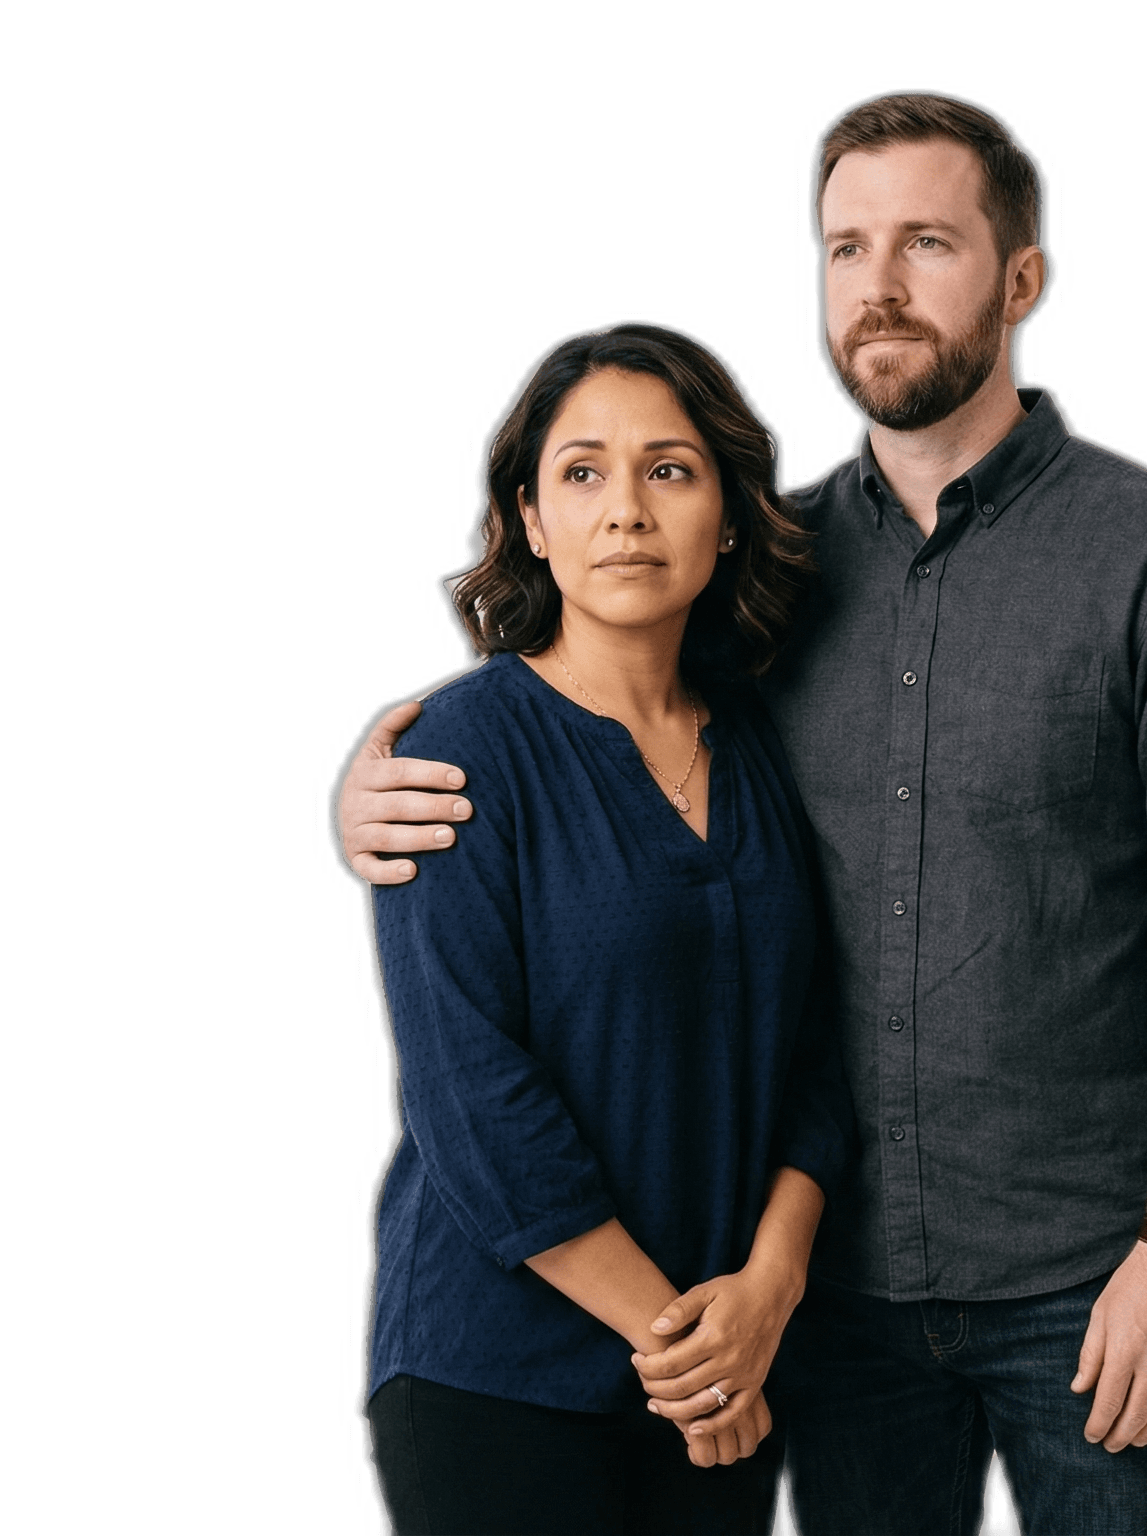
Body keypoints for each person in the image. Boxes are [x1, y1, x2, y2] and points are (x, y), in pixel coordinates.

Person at [338, 92, 1147, 1535]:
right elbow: (593, 722)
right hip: (830, 1310)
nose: (882, 286)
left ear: (1026, 278)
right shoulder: (767, 589)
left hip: (1084, 1282)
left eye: (929, 241)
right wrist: (371, 783)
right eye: (847, 248)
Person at [354, 319, 851, 1535]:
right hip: (498, 1375)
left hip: (725, 1367)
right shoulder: (461, 755)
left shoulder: (763, 745)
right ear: (528, 517)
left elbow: (818, 1056)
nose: (626, 509)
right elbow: (474, 1101)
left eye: (668, 470)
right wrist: (681, 1346)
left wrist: (768, 1295)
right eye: (582, 473)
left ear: (727, 515)